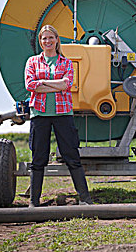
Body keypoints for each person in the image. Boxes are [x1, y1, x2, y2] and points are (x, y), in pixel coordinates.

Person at [24, 25, 92, 207]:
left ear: (56, 40)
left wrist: (43, 83)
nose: (47, 41)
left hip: (63, 114)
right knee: (38, 158)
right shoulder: (32, 62)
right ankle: (33, 202)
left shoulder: (66, 62)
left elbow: (67, 84)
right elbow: (30, 85)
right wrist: (56, 84)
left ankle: (85, 199)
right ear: (40, 41)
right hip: (39, 114)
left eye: (51, 38)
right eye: (44, 38)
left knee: (72, 155)